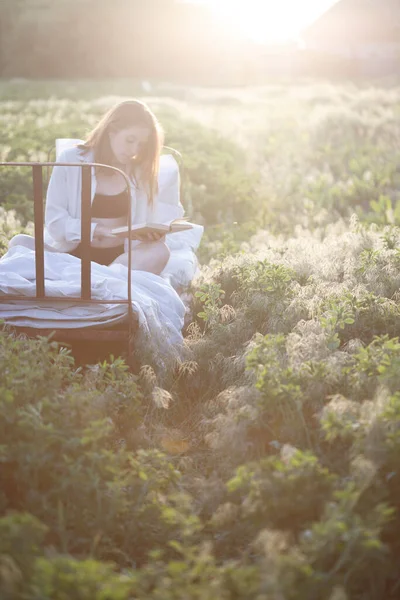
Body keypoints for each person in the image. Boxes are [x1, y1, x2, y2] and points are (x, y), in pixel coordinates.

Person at [44, 99, 171, 275]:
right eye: (130, 140)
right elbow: (55, 222)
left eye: (141, 144)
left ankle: (100, 279)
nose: (134, 150)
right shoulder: (71, 159)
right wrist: (98, 230)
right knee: (19, 243)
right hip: (73, 255)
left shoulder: (141, 172)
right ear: (111, 131)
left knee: (160, 251)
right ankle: (99, 281)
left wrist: (152, 235)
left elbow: (148, 222)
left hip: (121, 261)